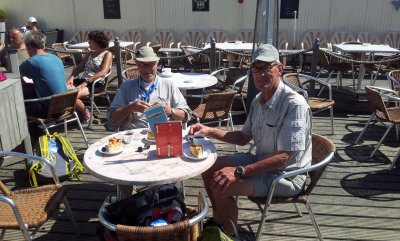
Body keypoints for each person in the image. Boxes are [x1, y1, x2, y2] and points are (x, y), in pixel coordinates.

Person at [188, 44, 312, 235]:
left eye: (266, 67)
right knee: (208, 169)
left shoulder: (294, 104)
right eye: (256, 68)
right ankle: (220, 219)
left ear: (280, 69)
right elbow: (243, 137)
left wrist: (239, 171)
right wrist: (208, 130)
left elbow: (283, 159)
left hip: (286, 175)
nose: (260, 73)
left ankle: (229, 235)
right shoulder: (258, 100)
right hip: (261, 160)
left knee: (221, 185)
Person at [107, 46, 191, 130]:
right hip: (134, 136)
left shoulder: (169, 85)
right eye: (142, 64)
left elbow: (186, 115)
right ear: (136, 64)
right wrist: (129, 108)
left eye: (151, 64)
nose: (147, 69)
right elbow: (112, 119)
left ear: (157, 63)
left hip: (163, 134)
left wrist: (170, 112)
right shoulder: (126, 87)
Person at [19, 31, 68, 143]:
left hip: (49, 109)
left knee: (19, 106)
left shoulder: (33, 62)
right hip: (64, 105)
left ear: (29, 46)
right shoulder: (55, 58)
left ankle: (36, 142)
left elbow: (16, 76)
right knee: (28, 95)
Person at [66, 30, 112, 121]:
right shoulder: (90, 53)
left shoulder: (107, 54)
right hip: (82, 80)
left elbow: (104, 71)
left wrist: (87, 82)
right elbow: (80, 67)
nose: (88, 42)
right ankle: (81, 111)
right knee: (62, 91)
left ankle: (85, 113)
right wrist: (71, 78)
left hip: (95, 83)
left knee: (71, 96)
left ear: (97, 42)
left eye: (90, 41)